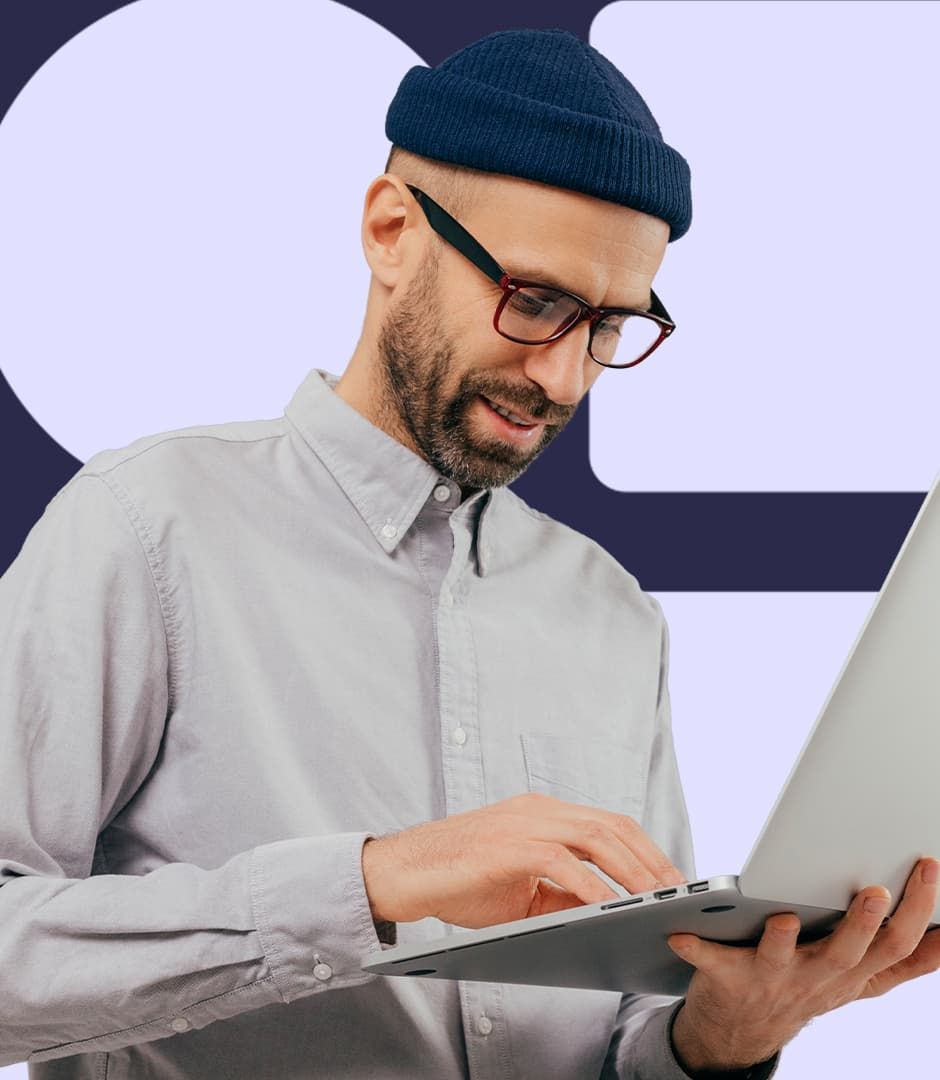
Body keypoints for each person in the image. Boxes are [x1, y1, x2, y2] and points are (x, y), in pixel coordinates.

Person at [1, 26, 938, 1080]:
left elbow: (626, 1033)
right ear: (391, 230)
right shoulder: (146, 526)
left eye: (608, 326)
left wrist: (722, 1035)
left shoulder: (609, 612)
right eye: (533, 300)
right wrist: (371, 883)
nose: (566, 378)